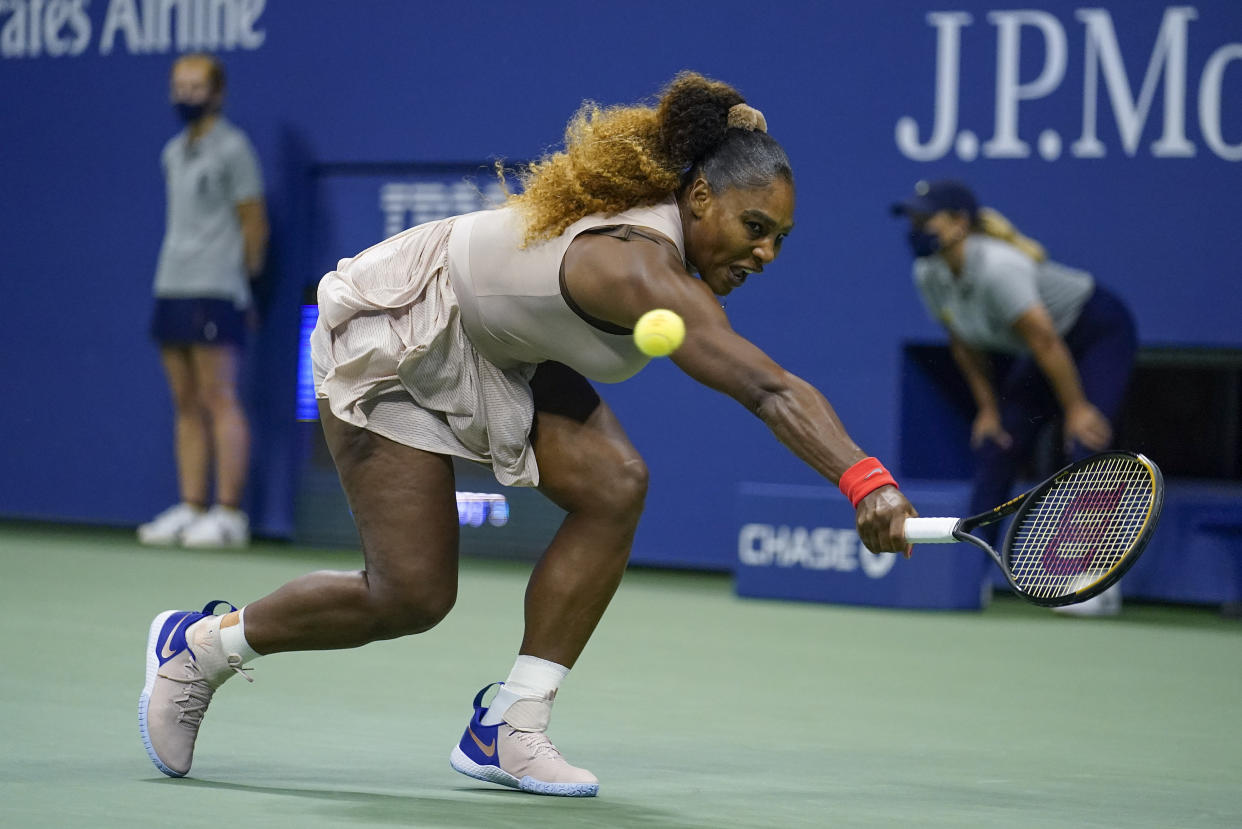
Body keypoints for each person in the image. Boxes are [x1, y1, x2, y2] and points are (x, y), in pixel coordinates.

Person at [138, 72, 917, 797]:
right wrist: (864, 480)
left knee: (615, 483)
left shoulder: (671, 255)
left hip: (502, 348)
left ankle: (511, 721)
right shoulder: (639, 272)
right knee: (409, 595)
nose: (766, 253)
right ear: (702, 195)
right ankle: (201, 647)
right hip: (402, 328)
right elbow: (767, 386)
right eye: (755, 227)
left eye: (781, 237)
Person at [892, 180, 1138, 616]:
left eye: (925, 219)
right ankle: (968, 576)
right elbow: (963, 344)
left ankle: (1093, 580)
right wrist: (987, 411)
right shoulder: (927, 272)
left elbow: (1046, 342)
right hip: (1044, 348)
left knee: (1087, 441)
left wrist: (1076, 409)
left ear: (959, 224)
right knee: (998, 441)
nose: (916, 229)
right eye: (913, 221)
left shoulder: (998, 268)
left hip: (1095, 330)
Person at [137, 53, 269, 549]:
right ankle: (192, 506)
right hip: (172, 283)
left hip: (217, 288)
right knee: (185, 402)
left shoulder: (234, 149)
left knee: (220, 399)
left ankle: (228, 514)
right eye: (179, 86)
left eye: (196, 87)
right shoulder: (173, 151)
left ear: (217, 93)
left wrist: (248, 289)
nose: (186, 96)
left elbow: (254, 223)